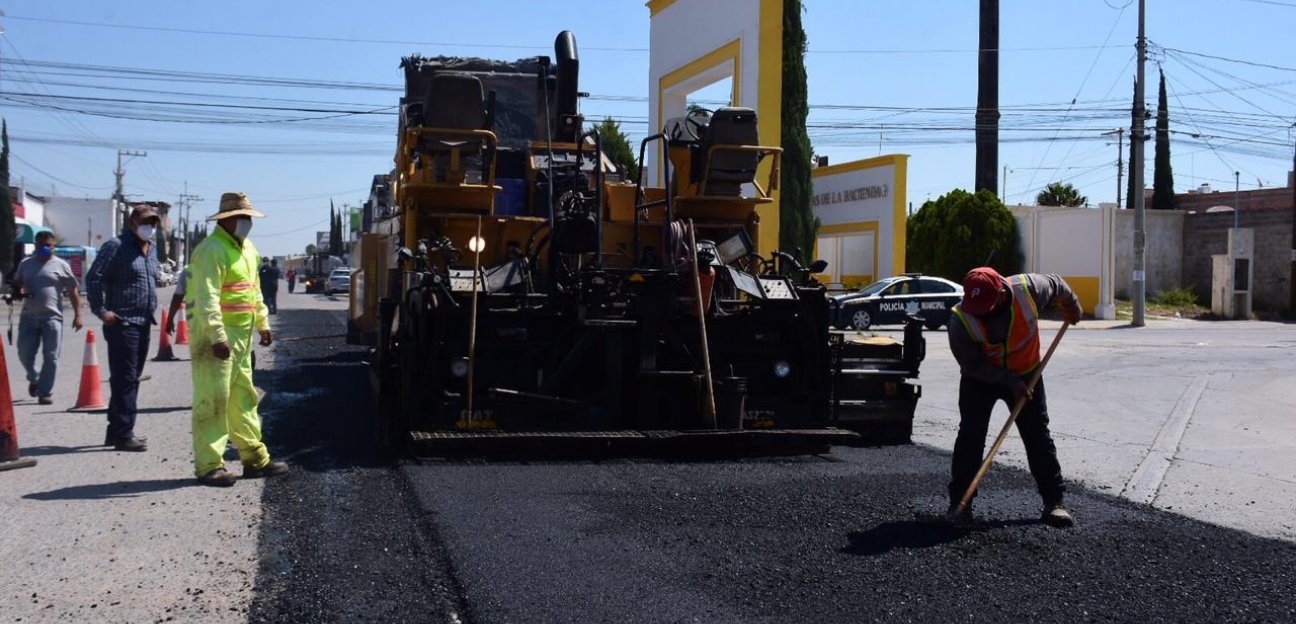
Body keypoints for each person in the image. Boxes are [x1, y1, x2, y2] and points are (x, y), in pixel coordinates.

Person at [945, 267, 1082, 528]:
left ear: (1000, 293)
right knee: (970, 436)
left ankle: (1054, 503)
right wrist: (1008, 381)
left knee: (1037, 434)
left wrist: (1072, 305)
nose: (980, 313)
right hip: (980, 378)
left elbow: (1058, 284)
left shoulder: (1027, 289)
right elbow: (971, 364)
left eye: (985, 306)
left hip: (1027, 372)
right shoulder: (960, 321)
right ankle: (960, 506)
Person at [188, 192, 288, 487]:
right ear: (227, 219)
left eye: (249, 218)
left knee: (244, 397)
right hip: (215, 337)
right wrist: (218, 337)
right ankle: (209, 466)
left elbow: (254, 291)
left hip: (242, 336)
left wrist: (263, 323)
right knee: (213, 399)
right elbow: (207, 298)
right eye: (243, 218)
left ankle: (255, 458)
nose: (247, 223)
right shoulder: (211, 250)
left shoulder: (247, 250)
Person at [85, 205, 161, 452]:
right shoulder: (116, 246)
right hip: (122, 322)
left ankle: (115, 429)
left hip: (143, 322)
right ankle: (124, 432)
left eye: (153, 222)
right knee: (126, 378)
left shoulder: (151, 249)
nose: (149, 226)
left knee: (130, 378)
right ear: (132, 223)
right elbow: (94, 277)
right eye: (145, 221)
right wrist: (101, 309)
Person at [13, 231, 85, 405]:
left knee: (51, 356)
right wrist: (18, 290)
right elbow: (17, 283)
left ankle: (45, 392)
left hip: (52, 318)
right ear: (35, 246)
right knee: (24, 354)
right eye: (40, 245)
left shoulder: (61, 265)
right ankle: (35, 377)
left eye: (48, 245)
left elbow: (72, 292)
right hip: (29, 317)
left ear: (54, 247)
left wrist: (78, 315)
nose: (44, 248)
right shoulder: (26, 264)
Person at [164, 264, 191, 337]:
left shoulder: (188, 270)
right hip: (219, 321)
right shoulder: (220, 266)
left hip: (196, 324)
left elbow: (178, 296)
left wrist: (170, 319)